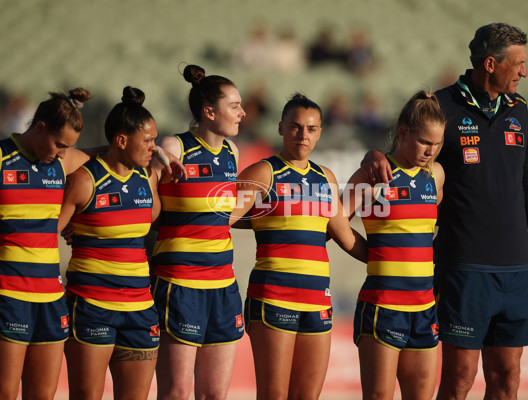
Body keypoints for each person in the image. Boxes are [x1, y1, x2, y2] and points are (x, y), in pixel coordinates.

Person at [361, 23, 528, 400]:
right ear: (489, 64)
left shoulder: (521, 109)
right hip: (463, 267)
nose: (524, 72)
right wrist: (372, 156)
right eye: (518, 64)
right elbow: (404, 152)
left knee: (507, 379)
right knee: (459, 380)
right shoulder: (443, 106)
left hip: (516, 267)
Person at [231, 93, 368, 400]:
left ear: (320, 132)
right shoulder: (262, 173)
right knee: (274, 394)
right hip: (273, 297)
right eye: (295, 126)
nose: (303, 135)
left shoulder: (326, 179)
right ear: (281, 128)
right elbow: (219, 219)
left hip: (317, 300)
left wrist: (391, 260)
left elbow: (345, 236)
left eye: (311, 128)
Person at [58, 86, 161, 400]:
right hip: (92, 307)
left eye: (155, 140)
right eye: (148, 141)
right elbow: (47, 237)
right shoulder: (84, 180)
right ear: (121, 140)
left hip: (140, 309)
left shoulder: (149, 178)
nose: (154, 148)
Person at [150, 64, 246, 400]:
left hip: (223, 285)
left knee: (215, 394)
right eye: (234, 106)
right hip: (180, 284)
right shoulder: (175, 146)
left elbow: (224, 213)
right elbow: (150, 160)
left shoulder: (232, 153)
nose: (242, 113)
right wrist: (159, 157)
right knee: (176, 392)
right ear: (209, 112)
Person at [342, 90, 445, 400]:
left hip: (425, 308)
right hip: (383, 306)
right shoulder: (374, 174)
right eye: (425, 142)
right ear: (403, 132)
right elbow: (334, 220)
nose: (431, 150)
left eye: (437, 143)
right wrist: (371, 255)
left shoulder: (435, 176)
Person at [0, 87, 93, 400]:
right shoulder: (2, 158)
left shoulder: (61, 163)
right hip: (8, 294)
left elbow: (111, 157)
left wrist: (160, 154)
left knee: (43, 395)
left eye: (69, 147)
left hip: (51, 298)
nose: (63, 153)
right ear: (39, 127)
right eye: (59, 144)